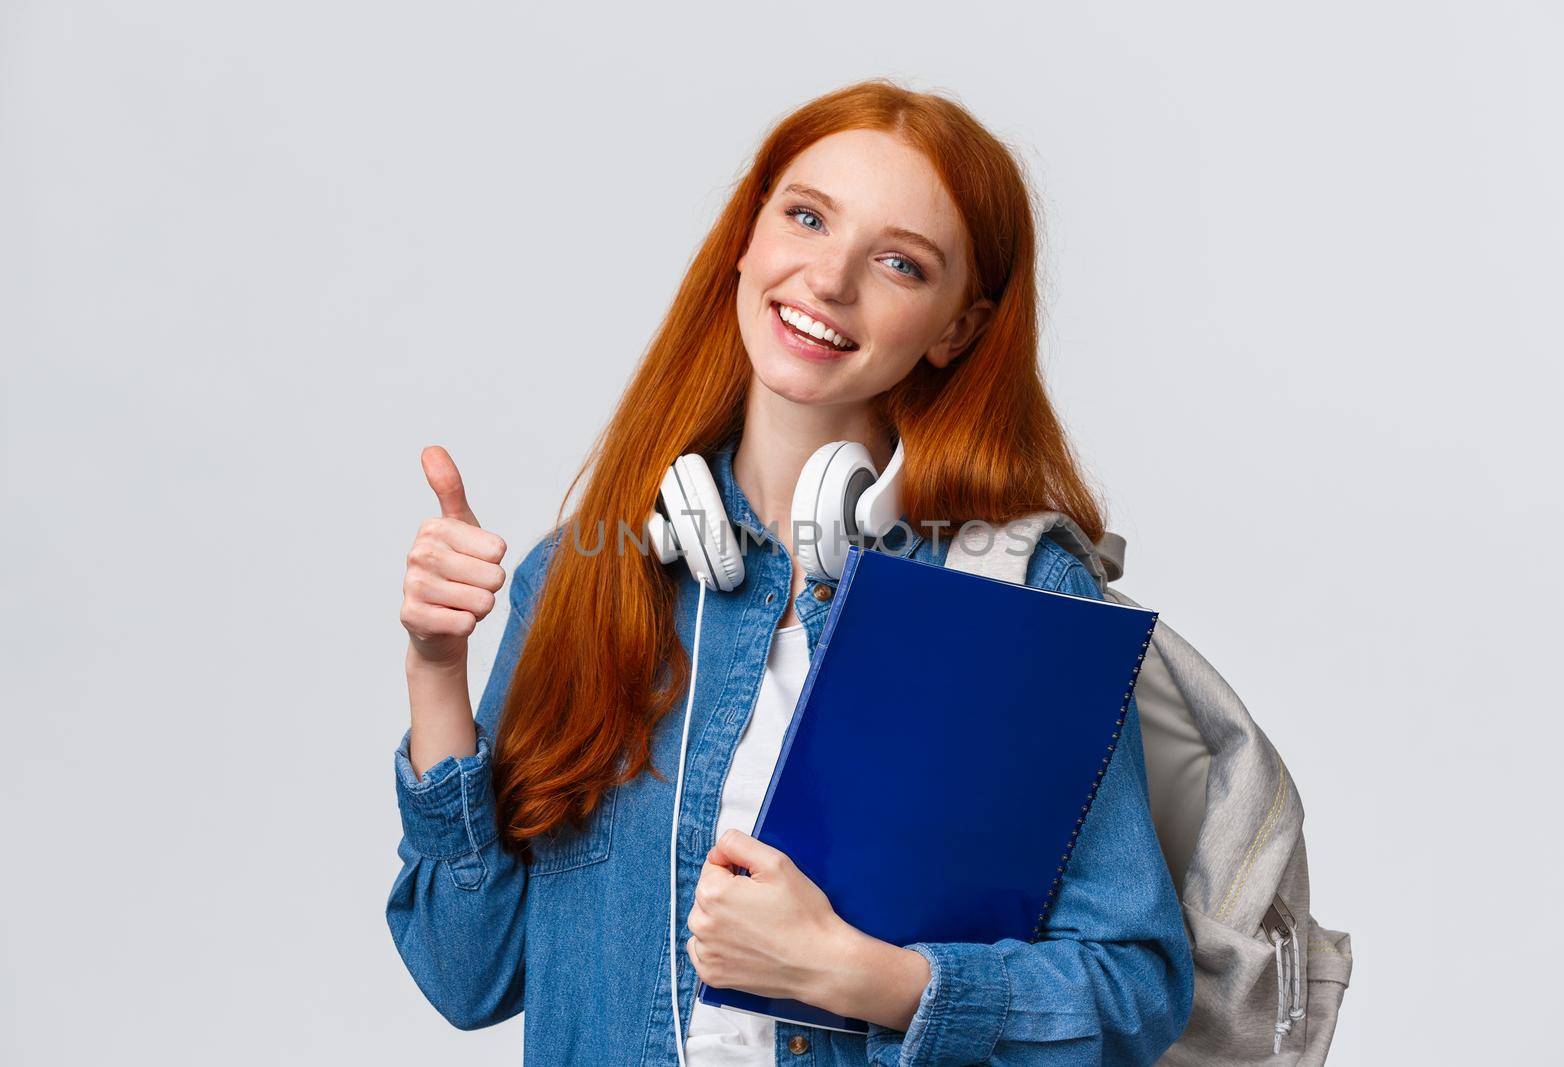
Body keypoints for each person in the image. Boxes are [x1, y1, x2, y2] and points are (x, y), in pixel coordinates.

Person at [387, 78, 1194, 1066]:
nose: (829, 277)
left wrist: (849, 972)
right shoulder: (585, 580)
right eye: (806, 217)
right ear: (747, 237)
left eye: (900, 262)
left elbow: (1134, 985)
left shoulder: (1011, 596)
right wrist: (436, 667)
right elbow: (467, 972)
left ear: (957, 326)